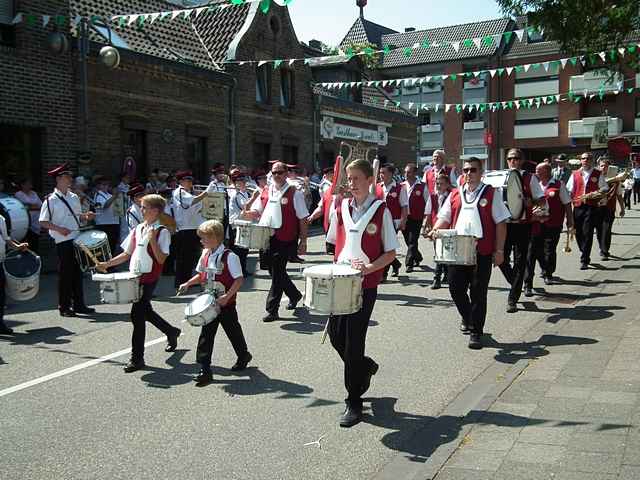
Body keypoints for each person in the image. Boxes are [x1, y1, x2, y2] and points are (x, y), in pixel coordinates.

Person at [325, 158, 399, 427]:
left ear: (370, 180)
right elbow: (333, 242)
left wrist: (368, 268)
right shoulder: (342, 206)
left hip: (364, 286)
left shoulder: (381, 211)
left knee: (353, 342)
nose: (352, 183)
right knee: (335, 337)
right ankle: (364, 366)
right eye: (349, 178)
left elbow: (390, 252)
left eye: (357, 178)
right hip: (340, 283)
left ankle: (353, 401)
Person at [428, 157, 509, 349]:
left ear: (481, 173)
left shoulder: (491, 193)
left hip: (482, 251)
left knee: (478, 292)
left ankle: (476, 332)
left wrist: (499, 250)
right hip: (458, 250)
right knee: (455, 288)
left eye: (473, 170)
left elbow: (501, 223)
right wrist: (435, 230)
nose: (469, 174)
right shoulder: (455, 194)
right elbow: (444, 217)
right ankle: (468, 317)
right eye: (465, 170)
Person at [97, 194, 181, 372]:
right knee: (145, 311)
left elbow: (161, 259)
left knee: (137, 315)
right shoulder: (138, 228)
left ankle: (137, 359)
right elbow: (127, 254)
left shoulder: (162, 231)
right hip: (135, 276)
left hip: (149, 278)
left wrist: (152, 240)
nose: (141, 210)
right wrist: (107, 264)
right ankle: (171, 331)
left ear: (155, 210)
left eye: (144, 207)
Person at [177, 220, 252, 386]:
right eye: (201, 238)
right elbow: (201, 275)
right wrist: (188, 283)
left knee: (232, 330)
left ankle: (243, 355)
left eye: (204, 238)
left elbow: (239, 279)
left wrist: (227, 297)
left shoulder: (230, 256)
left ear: (216, 237)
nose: (201, 241)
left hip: (226, 303)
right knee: (206, 334)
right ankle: (204, 369)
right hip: (209, 303)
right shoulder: (205, 254)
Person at [247, 161, 309, 322]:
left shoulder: (294, 193)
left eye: (280, 172)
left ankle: (272, 309)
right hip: (267, 237)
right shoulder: (266, 190)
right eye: (274, 173)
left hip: (287, 238)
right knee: (272, 270)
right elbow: (257, 209)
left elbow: (303, 218)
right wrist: (250, 213)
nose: (276, 176)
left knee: (278, 272)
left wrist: (303, 241)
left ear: (287, 173)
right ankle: (294, 294)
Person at [39, 163, 96, 317]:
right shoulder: (50, 200)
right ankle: (64, 306)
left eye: (70, 176)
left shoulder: (74, 197)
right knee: (65, 274)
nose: (70, 179)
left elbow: (78, 218)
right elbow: (43, 221)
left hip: (77, 238)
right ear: (58, 179)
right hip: (62, 240)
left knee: (78, 273)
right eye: (67, 177)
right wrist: (58, 229)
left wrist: (86, 216)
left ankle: (79, 304)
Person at [498, 148, 546, 313]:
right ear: (507, 160)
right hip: (505, 224)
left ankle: (512, 298)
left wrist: (530, 203)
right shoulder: (502, 175)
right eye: (510, 158)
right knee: (501, 258)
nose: (513, 161)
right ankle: (516, 283)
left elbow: (541, 199)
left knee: (520, 261)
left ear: (522, 160)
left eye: (517, 158)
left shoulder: (529, 177)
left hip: (523, 225)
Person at [524, 162, 573, 291]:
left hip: (553, 224)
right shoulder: (534, 185)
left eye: (538, 170)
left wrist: (570, 220)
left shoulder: (558, 185)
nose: (536, 172)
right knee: (531, 252)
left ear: (547, 171)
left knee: (549, 249)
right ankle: (528, 282)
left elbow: (567, 203)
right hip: (535, 224)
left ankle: (547, 273)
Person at [566, 151, 608, 270]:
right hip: (578, 206)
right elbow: (569, 190)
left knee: (588, 232)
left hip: (591, 206)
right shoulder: (575, 174)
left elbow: (605, 187)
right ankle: (583, 250)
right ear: (581, 160)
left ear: (592, 161)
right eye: (584, 158)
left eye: (588, 159)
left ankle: (584, 259)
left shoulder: (597, 173)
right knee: (578, 233)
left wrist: (597, 193)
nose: (586, 160)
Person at [172, 170, 212, 288]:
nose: (190, 182)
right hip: (185, 228)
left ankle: (188, 280)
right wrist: (206, 193)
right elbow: (191, 202)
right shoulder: (179, 192)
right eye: (187, 180)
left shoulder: (190, 192)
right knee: (184, 257)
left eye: (190, 180)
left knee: (191, 257)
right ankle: (180, 281)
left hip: (194, 227)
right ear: (181, 181)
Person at [375, 164, 407, 280]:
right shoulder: (377, 187)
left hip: (394, 221)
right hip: (379, 221)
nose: (381, 175)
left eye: (383, 172)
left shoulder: (399, 188)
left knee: (387, 247)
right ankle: (396, 264)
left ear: (391, 174)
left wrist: (403, 221)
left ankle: (383, 274)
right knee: (381, 246)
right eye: (380, 173)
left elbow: (404, 206)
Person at [423, 173, 454, 289]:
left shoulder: (451, 196)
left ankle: (438, 278)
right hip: (436, 228)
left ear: (447, 184)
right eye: (437, 184)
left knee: (444, 252)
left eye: (441, 184)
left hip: (448, 228)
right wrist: (427, 226)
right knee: (438, 252)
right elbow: (428, 213)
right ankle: (442, 275)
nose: (439, 186)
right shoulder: (433, 197)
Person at [0, 215, 29, 334]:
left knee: (1, 295)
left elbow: (6, 238)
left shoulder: (1, 218)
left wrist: (18, 246)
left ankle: (0, 324)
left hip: (0, 260)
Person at [401, 163, 430, 273]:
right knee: (408, 241)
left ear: (415, 173)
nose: (406, 174)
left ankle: (409, 264)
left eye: (409, 172)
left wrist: (427, 218)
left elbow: (428, 202)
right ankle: (417, 256)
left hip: (417, 218)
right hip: (404, 217)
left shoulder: (422, 186)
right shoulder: (401, 185)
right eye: (405, 172)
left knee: (413, 240)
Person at [596, 157, 625, 260]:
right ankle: (601, 246)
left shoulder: (615, 180)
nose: (604, 168)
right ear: (598, 166)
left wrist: (622, 208)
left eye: (606, 166)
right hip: (597, 208)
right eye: (602, 165)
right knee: (599, 229)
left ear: (609, 167)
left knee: (607, 229)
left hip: (609, 208)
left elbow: (619, 195)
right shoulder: (594, 178)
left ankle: (605, 251)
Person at [228, 172, 251, 276]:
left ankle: (243, 269)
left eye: (244, 180)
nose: (244, 182)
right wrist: (255, 197)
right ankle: (236, 272)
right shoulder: (236, 194)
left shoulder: (245, 193)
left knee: (244, 249)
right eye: (240, 181)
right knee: (237, 250)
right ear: (235, 183)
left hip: (244, 224)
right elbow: (245, 207)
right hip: (236, 225)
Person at [93, 177, 121, 257]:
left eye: (107, 184)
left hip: (114, 222)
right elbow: (105, 206)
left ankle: (110, 265)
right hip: (104, 224)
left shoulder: (109, 195)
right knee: (105, 247)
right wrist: (115, 196)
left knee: (112, 245)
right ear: (99, 186)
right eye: (103, 184)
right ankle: (106, 265)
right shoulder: (98, 195)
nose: (106, 186)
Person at [14, 178, 43, 253]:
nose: (30, 186)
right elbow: (23, 206)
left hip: (36, 221)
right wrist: (32, 206)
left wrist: (30, 206)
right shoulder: (18, 194)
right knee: (26, 241)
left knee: (35, 242)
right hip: (25, 221)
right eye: (28, 184)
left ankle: (35, 258)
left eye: (30, 184)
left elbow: (41, 205)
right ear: (22, 185)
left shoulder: (34, 193)